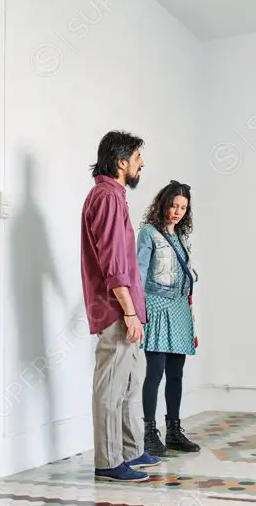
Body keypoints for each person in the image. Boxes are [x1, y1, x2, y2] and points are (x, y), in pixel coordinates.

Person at [81, 130, 162, 482]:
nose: (142, 163)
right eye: (138, 157)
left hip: (127, 308)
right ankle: (108, 461)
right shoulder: (107, 197)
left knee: (131, 383)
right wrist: (129, 311)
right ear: (121, 162)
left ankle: (130, 450)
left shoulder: (113, 195)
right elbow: (113, 262)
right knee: (111, 388)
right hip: (117, 309)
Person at [137, 181, 200, 456]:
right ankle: (149, 432)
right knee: (155, 372)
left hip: (179, 309)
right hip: (157, 306)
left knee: (177, 373)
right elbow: (138, 273)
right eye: (174, 205)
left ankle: (174, 430)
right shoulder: (149, 233)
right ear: (163, 204)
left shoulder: (181, 237)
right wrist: (137, 312)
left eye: (183, 208)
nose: (177, 212)